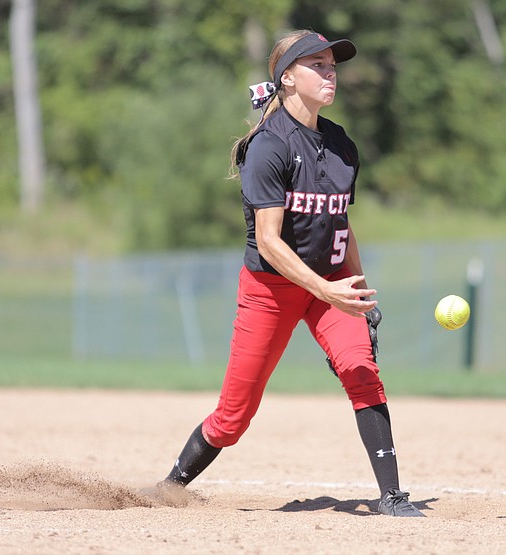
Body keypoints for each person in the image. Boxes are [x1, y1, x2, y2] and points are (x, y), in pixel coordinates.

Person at [160, 29, 424, 517]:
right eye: (317, 65)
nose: (330, 74)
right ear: (287, 78)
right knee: (233, 417)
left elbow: (341, 223)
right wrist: (326, 289)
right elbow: (269, 241)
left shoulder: (342, 144)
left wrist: (359, 295)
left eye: (333, 65)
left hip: (331, 287)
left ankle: (391, 496)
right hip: (271, 288)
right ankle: (169, 487)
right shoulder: (269, 146)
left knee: (362, 371)